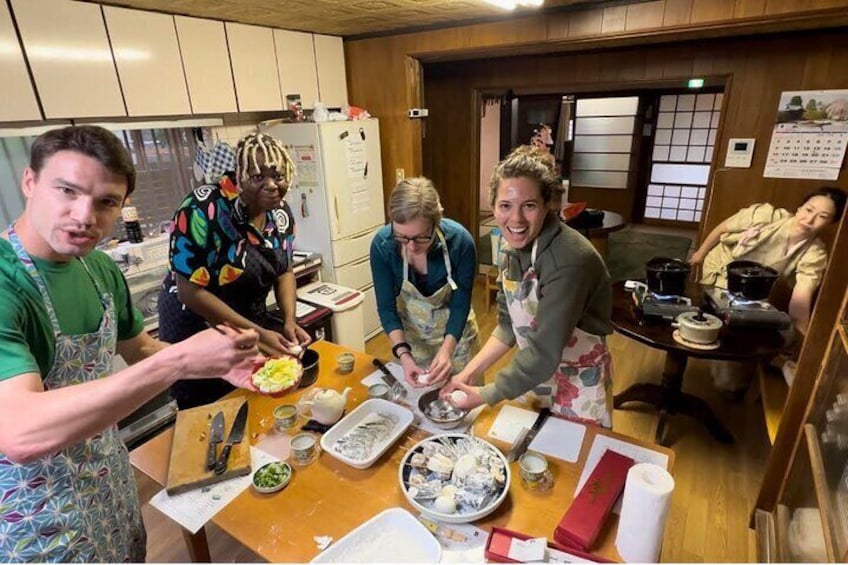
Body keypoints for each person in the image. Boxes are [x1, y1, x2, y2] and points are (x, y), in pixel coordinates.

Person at [0, 126, 261, 562]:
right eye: (67, 190)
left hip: (107, 479)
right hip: (35, 513)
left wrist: (214, 364)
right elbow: (20, 433)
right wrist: (178, 359)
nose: (85, 216)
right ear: (30, 181)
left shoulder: (98, 269)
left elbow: (139, 349)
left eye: (106, 202)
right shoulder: (7, 282)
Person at [441, 146, 614, 426]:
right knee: (526, 452)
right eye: (505, 206)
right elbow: (509, 325)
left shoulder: (568, 261)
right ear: (493, 206)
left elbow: (545, 351)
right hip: (534, 373)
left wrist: (485, 394)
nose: (516, 220)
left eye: (529, 206)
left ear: (547, 206)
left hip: (580, 378)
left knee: (570, 462)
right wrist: (468, 374)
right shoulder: (510, 248)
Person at [158, 132, 311, 409]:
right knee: (210, 414)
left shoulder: (280, 212)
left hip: (248, 321)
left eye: (278, 176)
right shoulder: (202, 209)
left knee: (253, 405)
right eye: (257, 177)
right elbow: (190, 292)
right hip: (198, 328)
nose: (272, 186)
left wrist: (289, 320)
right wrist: (259, 334)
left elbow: (284, 269)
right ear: (239, 176)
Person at [370, 177, 480, 386]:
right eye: (401, 237)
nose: (411, 247)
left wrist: (447, 350)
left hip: (456, 340)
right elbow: (386, 308)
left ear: (436, 222)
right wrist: (404, 354)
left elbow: (460, 304)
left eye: (421, 237)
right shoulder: (382, 246)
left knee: (464, 402)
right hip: (410, 342)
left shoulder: (460, 242)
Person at [691, 187, 846, 334]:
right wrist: (700, 254)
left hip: (756, 285)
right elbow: (722, 229)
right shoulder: (767, 216)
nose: (810, 219)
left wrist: (802, 344)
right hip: (722, 264)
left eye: (822, 216)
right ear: (799, 208)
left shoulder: (815, 253)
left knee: (745, 320)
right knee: (716, 311)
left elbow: (801, 299)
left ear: (831, 222)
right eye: (809, 209)